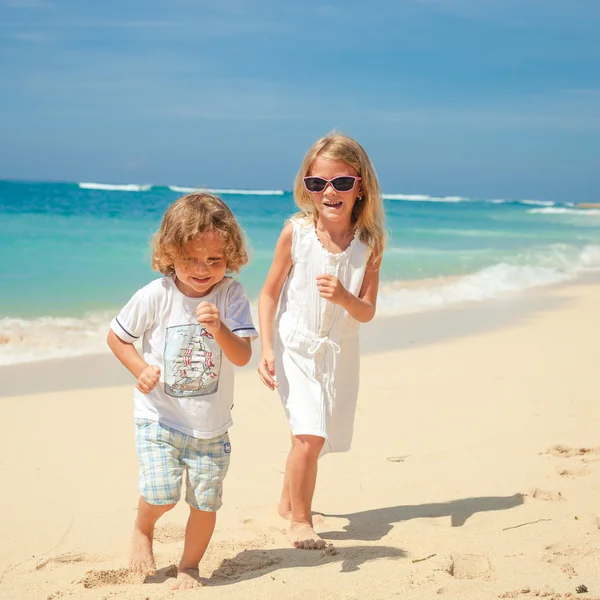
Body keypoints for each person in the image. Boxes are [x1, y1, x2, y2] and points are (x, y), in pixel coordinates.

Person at [107, 192, 257, 589]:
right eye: (191, 259)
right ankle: (143, 529)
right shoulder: (156, 295)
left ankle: (189, 565)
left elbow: (242, 356)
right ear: (170, 253)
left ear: (231, 255)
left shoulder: (231, 296)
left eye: (214, 260)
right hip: (159, 417)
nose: (203, 269)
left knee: (205, 503)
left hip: (211, 427)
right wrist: (140, 370)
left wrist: (220, 329)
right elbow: (118, 337)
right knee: (161, 494)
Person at [257, 132, 386, 550]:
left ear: (360, 186)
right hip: (295, 345)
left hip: (341, 352)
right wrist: (267, 349)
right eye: (317, 183)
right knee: (309, 434)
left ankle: (286, 501)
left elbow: (366, 311)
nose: (329, 192)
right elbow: (269, 291)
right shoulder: (295, 233)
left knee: (315, 434)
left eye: (341, 183)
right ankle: (300, 521)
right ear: (307, 187)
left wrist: (345, 296)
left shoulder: (370, 244)